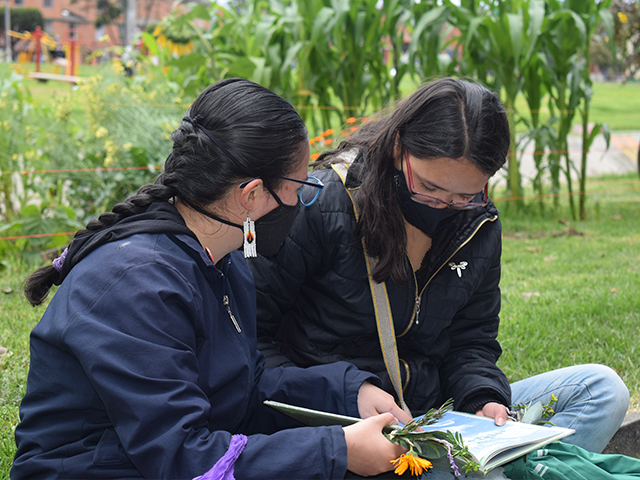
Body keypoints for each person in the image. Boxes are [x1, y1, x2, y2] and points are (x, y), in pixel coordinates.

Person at [11, 78, 412, 480]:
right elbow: (181, 457)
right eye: (299, 188)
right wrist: (335, 450)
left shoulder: (224, 261)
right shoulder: (135, 284)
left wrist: (348, 393)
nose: (299, 203)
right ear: (251, 195)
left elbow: (244, 387)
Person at [249, 77, 630, 459]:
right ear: (399, 147)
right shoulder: (322, 205)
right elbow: (253, 344)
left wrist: (483, 397)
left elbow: (471, 340)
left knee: (601, 390)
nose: (443, 206)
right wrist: (350, 391)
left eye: (465, 195)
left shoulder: (477, 223)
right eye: (429, 188)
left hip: (436, 417)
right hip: (349, 428)